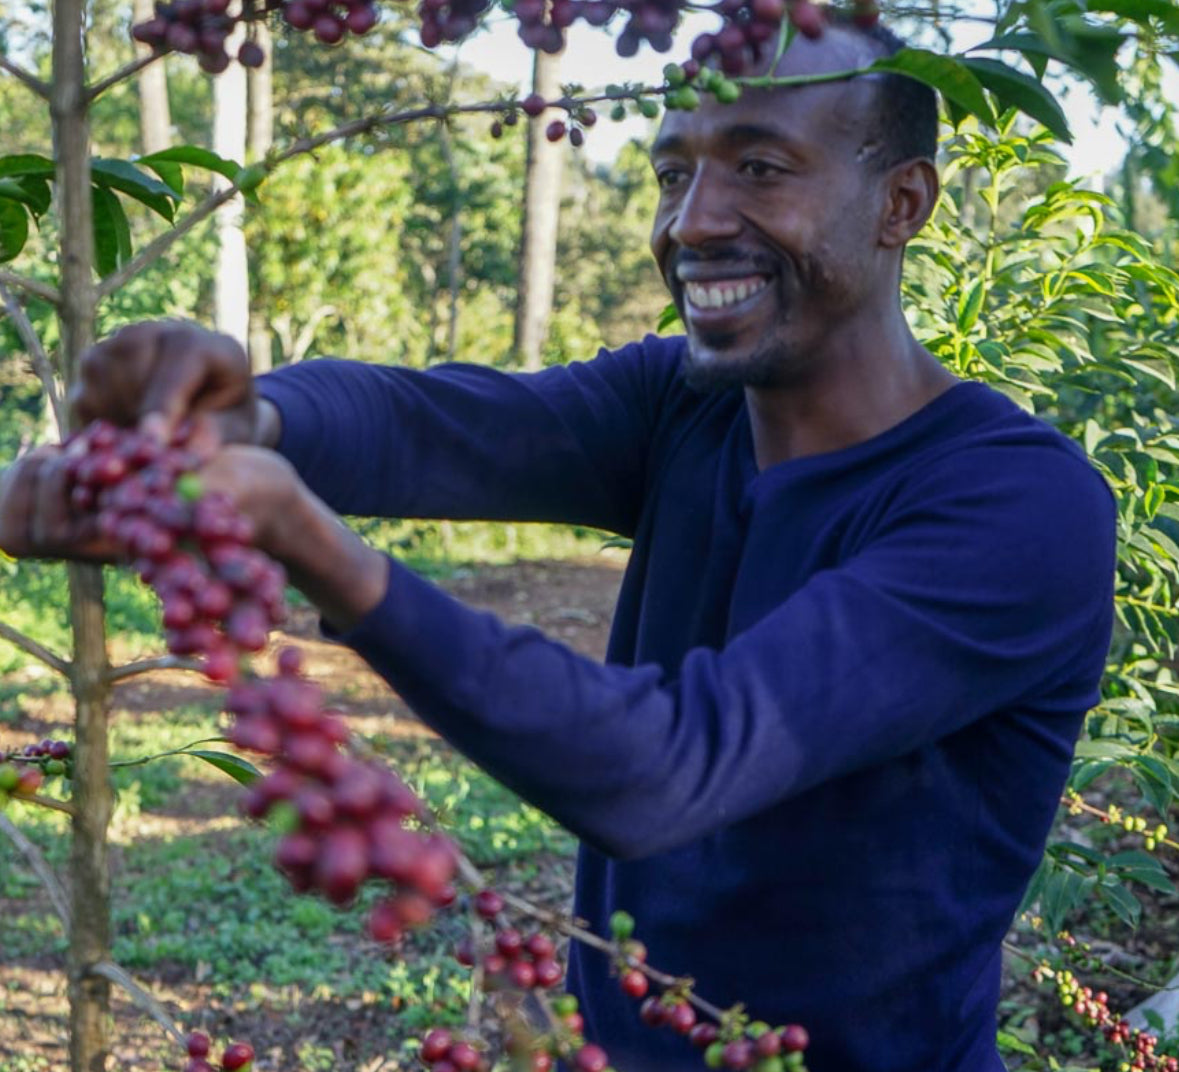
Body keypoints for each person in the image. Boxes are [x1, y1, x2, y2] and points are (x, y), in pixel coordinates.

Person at [0, 17, 1116, 1072]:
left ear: (900, 203)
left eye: (761, 167)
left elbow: (669, 765)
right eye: (673, 173)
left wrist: (313, 544)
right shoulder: (685, 406)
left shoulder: (1016, 509)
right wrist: (245, 414)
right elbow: (439, 424)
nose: (694, 222)